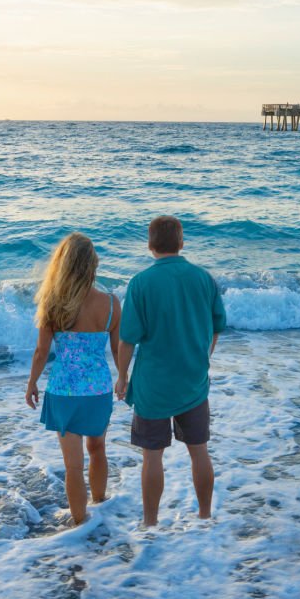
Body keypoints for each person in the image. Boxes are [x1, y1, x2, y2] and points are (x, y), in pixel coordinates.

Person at [115, 215, 226, 527]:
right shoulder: (203, 278)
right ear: (181, 243)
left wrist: (122, 376)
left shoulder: (140, 284)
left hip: (153, 385)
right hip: (193, 380)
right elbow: (217, 327)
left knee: (152, 457)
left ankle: (150, 523)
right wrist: (203, 358)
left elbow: (128, 340)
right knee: (199, 451)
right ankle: (205, 516)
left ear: (150, 246)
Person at [26, 233, 120, 525]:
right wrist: (125, 379)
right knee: (98, 449)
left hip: (64, 392)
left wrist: (31, 383)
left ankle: (81, 523)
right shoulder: (111, 304)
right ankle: (100, 502)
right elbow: (119, 350)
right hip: (98, 390)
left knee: (73, 466)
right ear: (93, 264)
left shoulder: (53, 304)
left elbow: (42, 352)